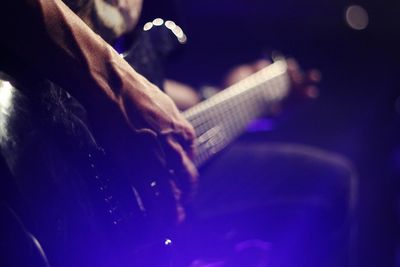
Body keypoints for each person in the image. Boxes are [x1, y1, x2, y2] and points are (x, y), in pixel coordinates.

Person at [0, 1, 357, 266]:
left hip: (105, 163)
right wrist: (117, 88)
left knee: (324, 181)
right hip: (26, 152)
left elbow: (133, 68)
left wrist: (216, 97)